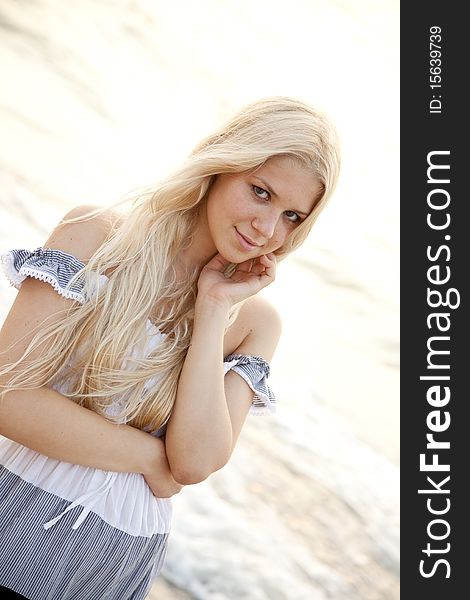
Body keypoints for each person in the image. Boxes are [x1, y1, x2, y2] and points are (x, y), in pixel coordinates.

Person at [0, 96, 340, 599]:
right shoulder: (96, 238)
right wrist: (148, 457)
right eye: (261, 192)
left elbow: (195, 462)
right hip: (19, 513)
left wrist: (212, 310)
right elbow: (10, 398)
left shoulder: (254, 323)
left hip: (121, 559)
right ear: (222, 166)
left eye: (292, 216)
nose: (267, 230)